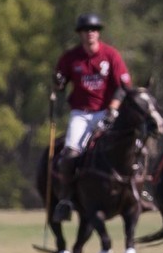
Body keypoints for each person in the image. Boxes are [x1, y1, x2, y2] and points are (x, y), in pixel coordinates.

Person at [50, 13, 133, 222]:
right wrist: (58, 82)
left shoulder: (111, 55)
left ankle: (135, 193)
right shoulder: (71, 57)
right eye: (87, 30)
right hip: (81, 113)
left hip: (107, 111)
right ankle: (66, 200)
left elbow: (124, 87)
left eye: (94, 30)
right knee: (69, 154)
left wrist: (113, 109)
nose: (91, 34)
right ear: (80, 34)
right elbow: (59, 85)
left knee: (126, 148)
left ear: (99, 33)